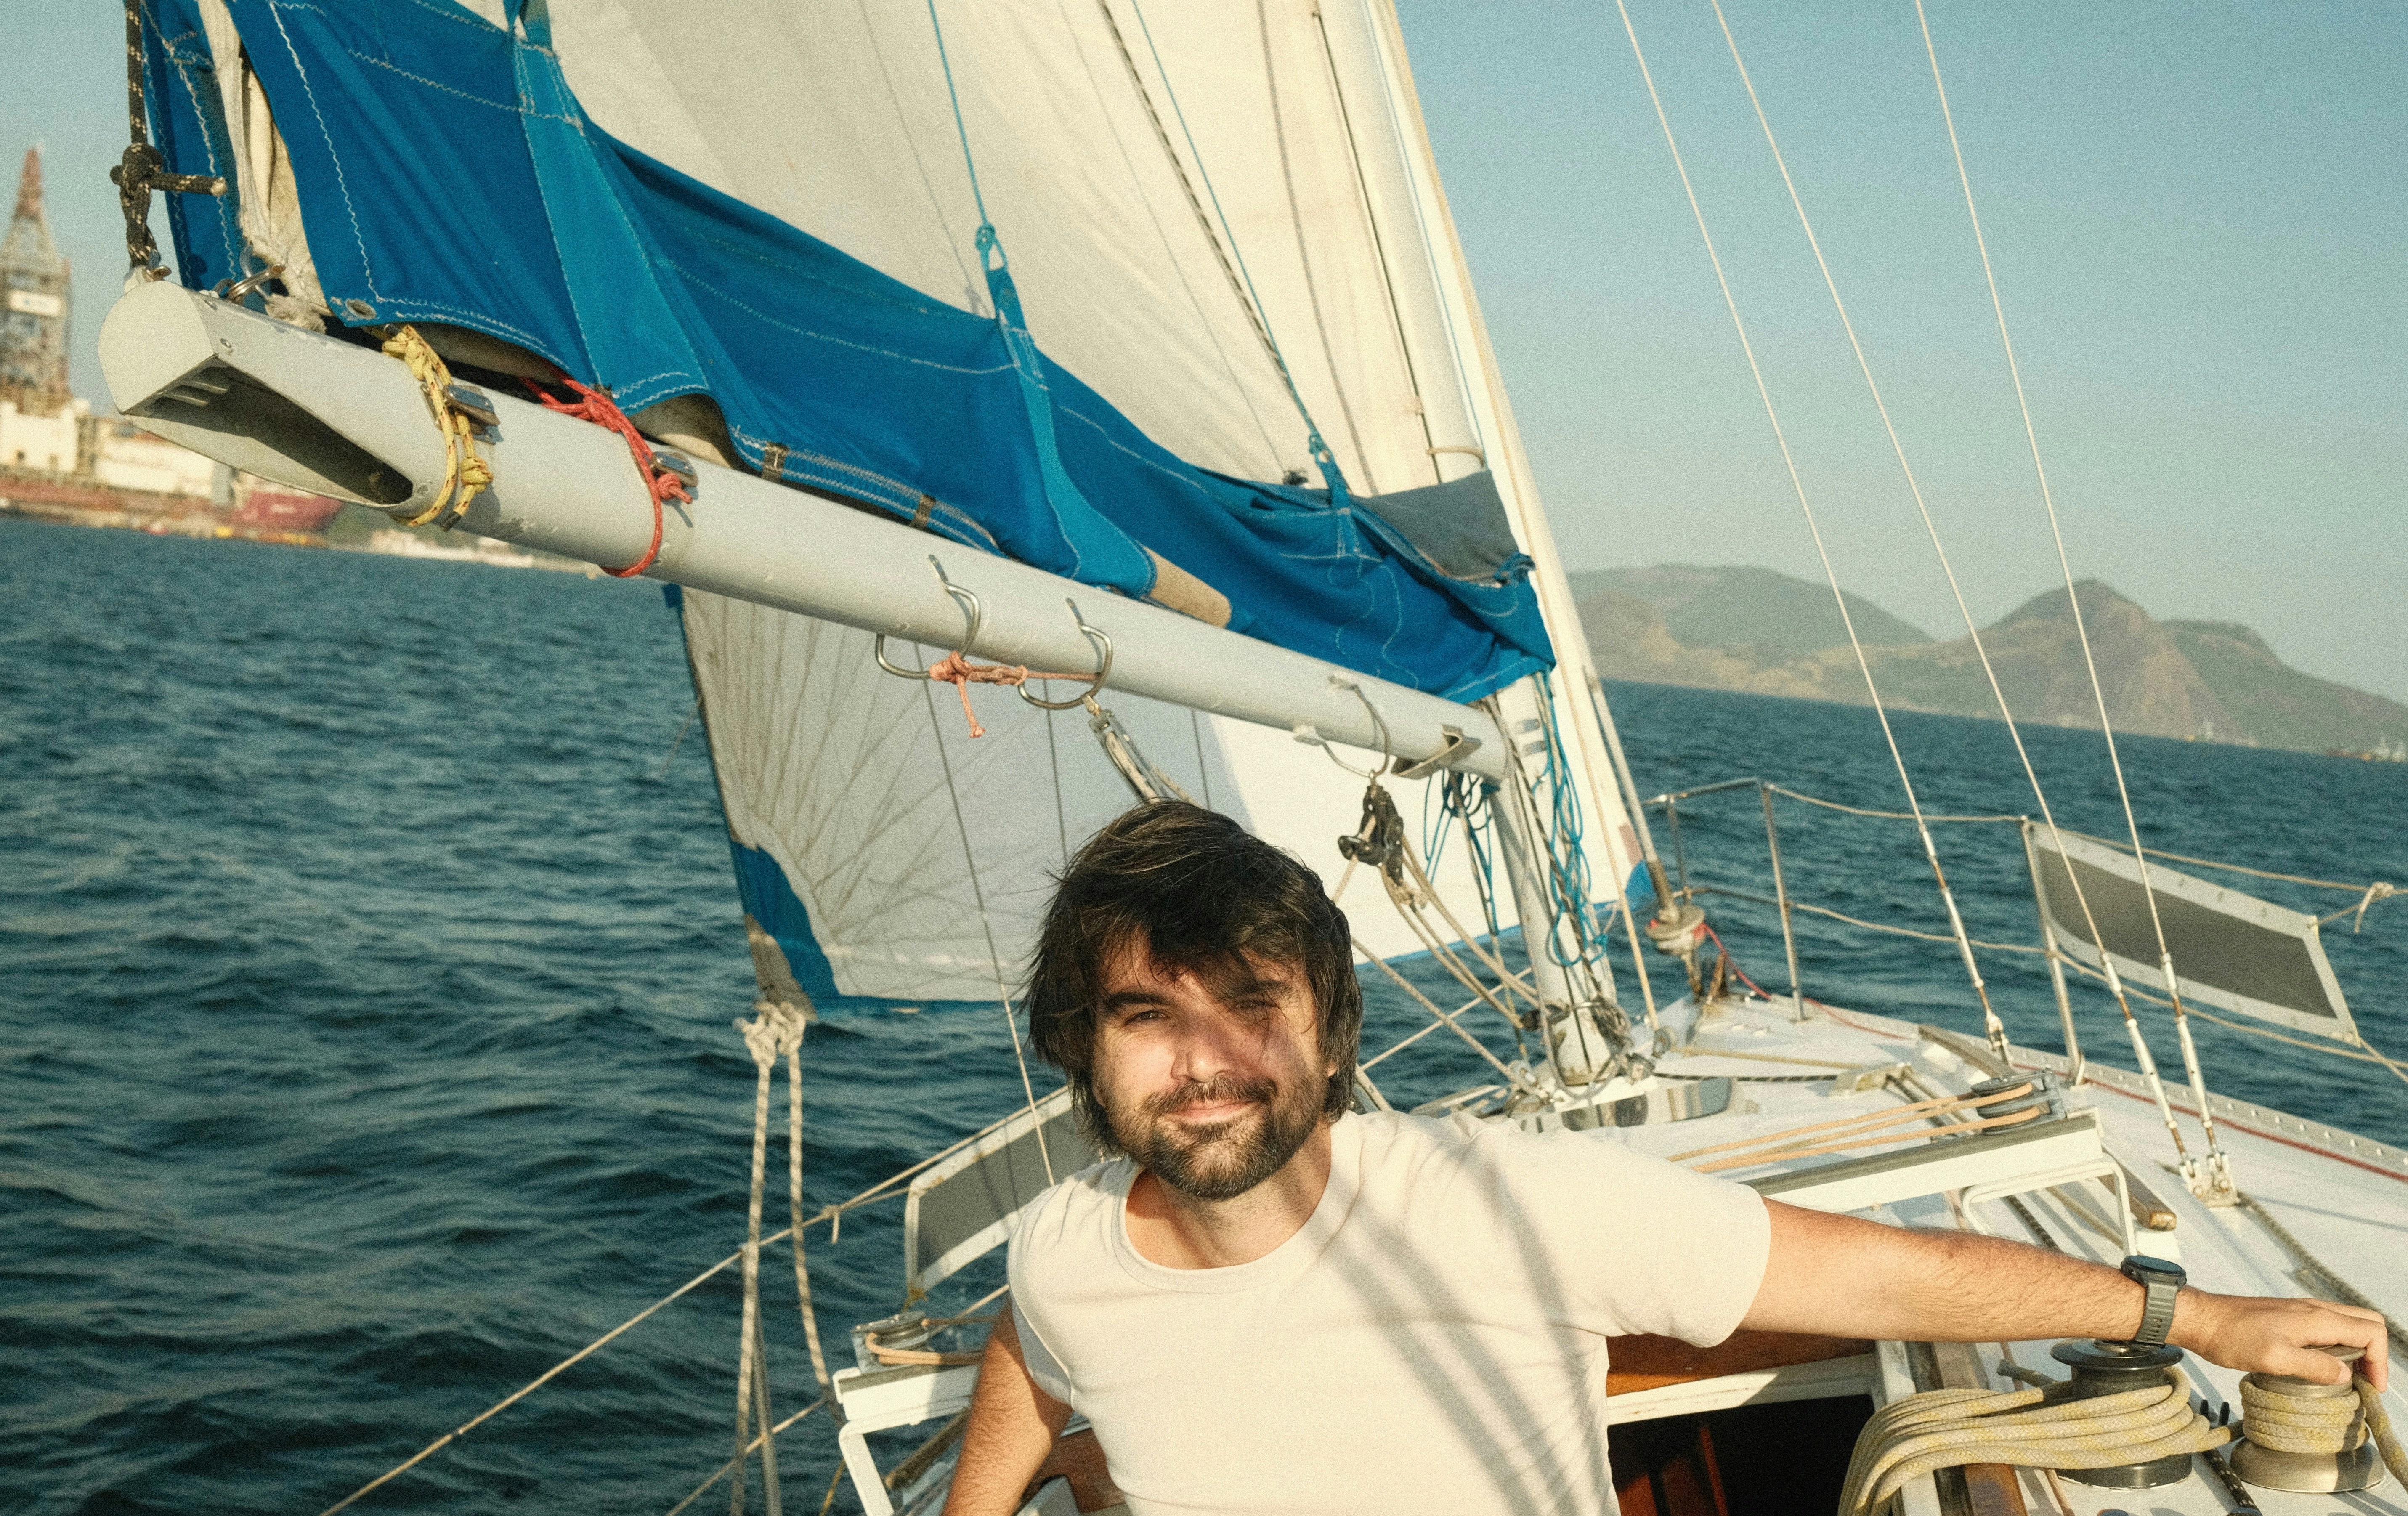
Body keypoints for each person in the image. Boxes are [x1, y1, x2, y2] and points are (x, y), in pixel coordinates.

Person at [943, 802, 2388, 1515]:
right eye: (1146, 1017)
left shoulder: (1501, 1202)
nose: (1204, 1063)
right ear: (1085, 1049)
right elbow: (1032, 1340)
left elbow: (1884, 1278)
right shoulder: (1065, 1248)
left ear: (1329, 1035)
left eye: (1251, 1004)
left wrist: (2198, 1315)